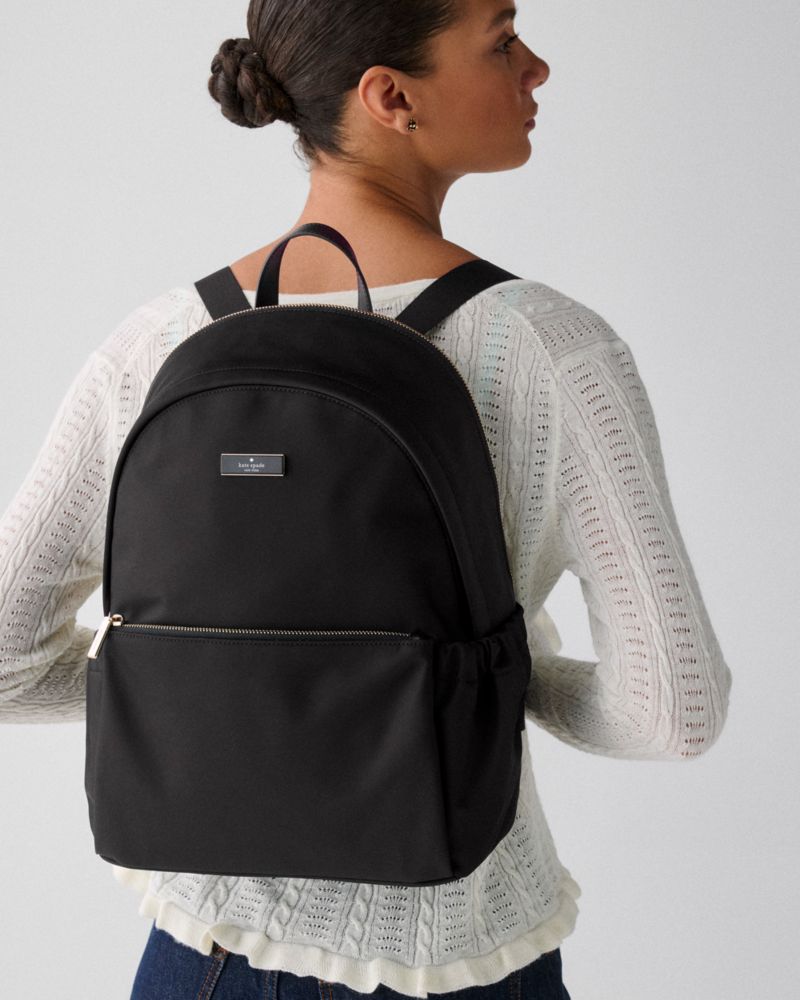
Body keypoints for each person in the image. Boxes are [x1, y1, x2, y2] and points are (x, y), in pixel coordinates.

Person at [0, 0, 733, 997]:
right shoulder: (551, 350)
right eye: (502, 40)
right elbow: (672, 711)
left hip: (205, 960)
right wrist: (464, 682)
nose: (536, 68)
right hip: (466, 952)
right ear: (390, 96)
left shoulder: (159, 341)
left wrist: (219, 694)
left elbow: (7, 661)